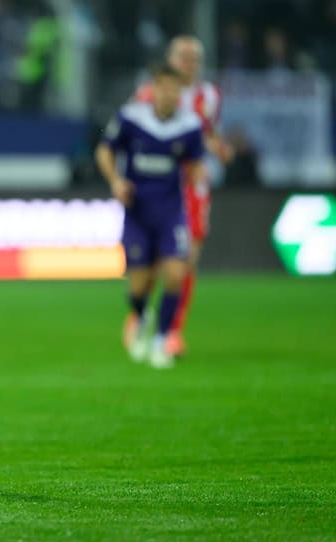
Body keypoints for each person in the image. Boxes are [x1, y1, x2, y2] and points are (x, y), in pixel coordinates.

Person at [96, 63, 206, 369]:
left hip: (171, 212)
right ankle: (142, 315)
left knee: (175, 274)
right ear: (154, 89)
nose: (169, 94)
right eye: (164, 87)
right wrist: (116, 181)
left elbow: (195, 165)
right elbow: (105, 150)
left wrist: (200, 184)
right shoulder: (132, 118)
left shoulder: (189, 125)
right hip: (137, 213)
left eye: (175, 89)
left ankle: (161, 341)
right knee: (139, 286)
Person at [133, 36, 233, 356]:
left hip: (193, 186)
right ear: (170, 59)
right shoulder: (148, 93)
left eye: (195, 58)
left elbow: (207, 134)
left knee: (187, 259)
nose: (189, 63)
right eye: (184, 57)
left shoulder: (209, 96)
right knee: (151, 261)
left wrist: (217, 148)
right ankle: (140, 313)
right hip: (158, 184)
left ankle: (172, 329)